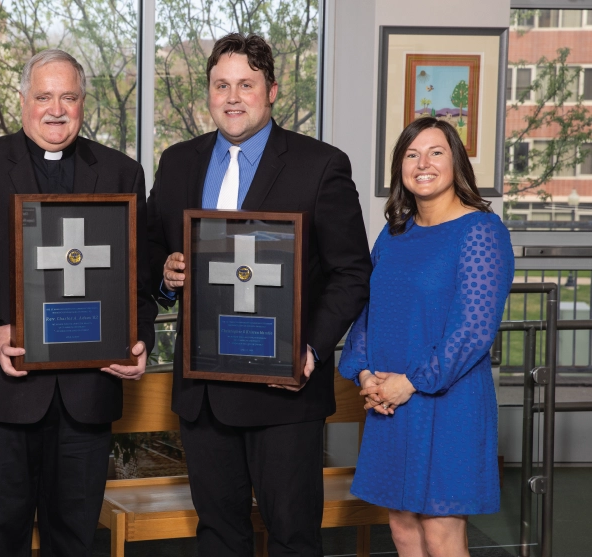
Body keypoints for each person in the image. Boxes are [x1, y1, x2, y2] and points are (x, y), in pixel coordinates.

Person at [147, 33, 372, 556]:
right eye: (220, 84)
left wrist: (310, 348)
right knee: (220, 537)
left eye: (245, 85)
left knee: (293, 538)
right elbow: (150, 250)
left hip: (284, 393)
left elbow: (351, 272)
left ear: (272, 90)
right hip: (203, 394)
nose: (232, 96)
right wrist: (163, 274)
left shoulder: (320, 166)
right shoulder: (178, 162)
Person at [0, 49, 157, 556]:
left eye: (69, 97)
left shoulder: (122, 173)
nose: (56, 109)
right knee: (1, 541)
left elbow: (137, 283)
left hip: (87, 399)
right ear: (22, 101)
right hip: (1, 397)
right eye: (44, 96)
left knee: (75, 542)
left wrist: (137, 338)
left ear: (82, 102)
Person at [339, 117, 514, 557]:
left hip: (448, 399)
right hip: (389, 401)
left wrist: (410, 382)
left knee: (440, 528)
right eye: (412, 154)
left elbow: (473, 329)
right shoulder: (395, 233)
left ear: (456, 162)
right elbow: (368, 309)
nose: (423, 163)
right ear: (400, 166)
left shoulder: (481, 231)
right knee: (400, 526)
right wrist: (364, 374)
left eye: (436, 152)